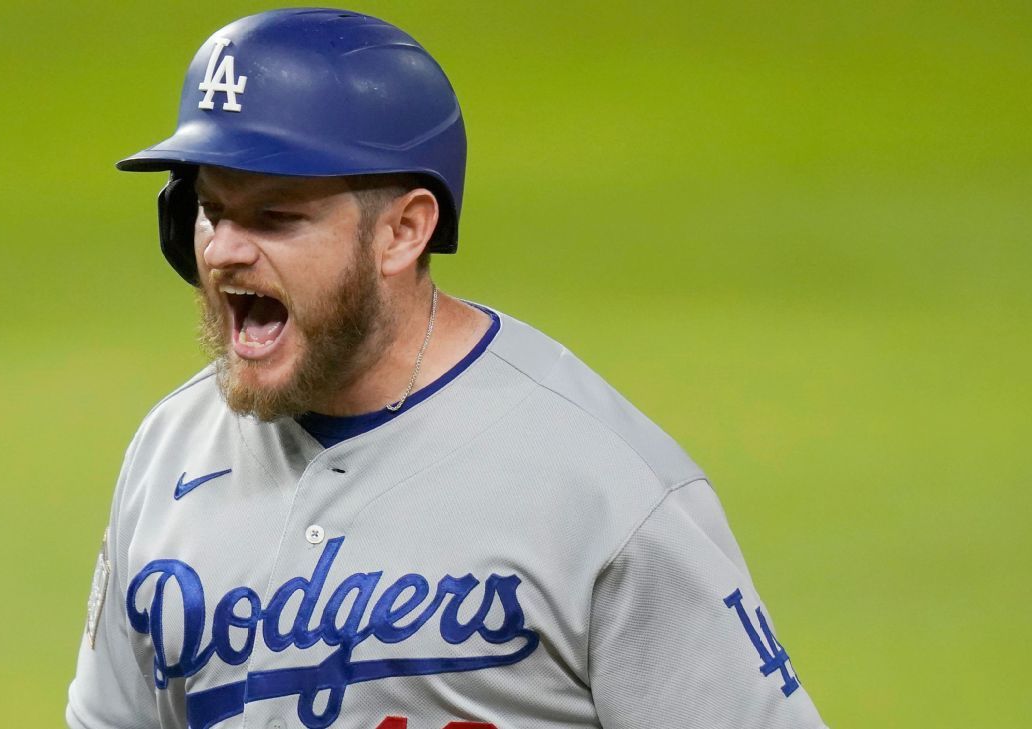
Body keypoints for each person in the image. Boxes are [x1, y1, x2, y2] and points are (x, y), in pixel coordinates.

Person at [67, 8, 825, 729]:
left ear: (402, 231)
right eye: (211, 209)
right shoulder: (168, 451)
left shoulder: (604, 486)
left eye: (275, 216)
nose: (223, 249)